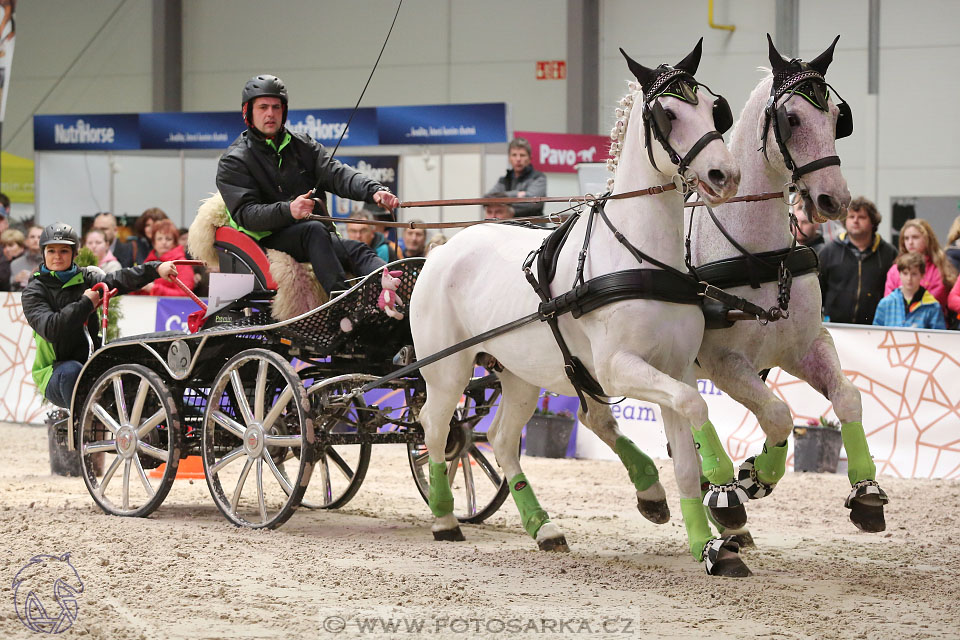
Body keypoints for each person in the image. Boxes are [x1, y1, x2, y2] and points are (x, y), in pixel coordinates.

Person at [216, 74, 399, 295]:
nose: (270, 114)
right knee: (313, 230)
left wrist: (375, 191)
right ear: (248, 112)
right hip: (266, 239)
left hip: (314, 237)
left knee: (359, 250)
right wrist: (289, 210)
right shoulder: (234, 160)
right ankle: (341, 302)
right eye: (263, 107)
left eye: (276, 107)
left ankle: (393, 290)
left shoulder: (303, 145)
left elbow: (338, 174)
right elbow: (246, 214)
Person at [21, 222, 179, 408]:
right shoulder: (33, 291)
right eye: (51, 251)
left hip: (90, 359)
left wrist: (155, 269)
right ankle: (84, 429)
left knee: (134, 354)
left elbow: (117, 280)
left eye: (64, 251)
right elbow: (51, 329)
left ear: (74, 254)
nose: (57, 257)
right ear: (43, 253)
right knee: (74, 371)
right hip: (54, 372)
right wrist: (86, 303)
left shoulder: (87, 278)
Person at [818, 197, 897, 324]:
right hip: (836, 328)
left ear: (873, 222)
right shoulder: (829, 251)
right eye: (851, 217)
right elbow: (818, 291)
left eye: (861, 217)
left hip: (875, 328)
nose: (855, 221)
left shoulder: (889, 253)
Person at [884, 218, 956, 317]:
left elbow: (936, 300)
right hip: (898, 324)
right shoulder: (895, 270)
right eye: (906, 238)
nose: (910, 242)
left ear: (927, 239)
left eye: (915, 237)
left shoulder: (939, 268)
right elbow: (888, 301)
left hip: (930, 325)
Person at [873, 253, 946, 330]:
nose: (909, 278)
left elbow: (938, 337)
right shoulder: (885, 303)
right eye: (905, 273)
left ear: (922, 275)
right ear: (899, 274)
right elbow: (876, 334)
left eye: (914, 274)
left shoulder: (932, 306)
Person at [485, 137, 547, 217]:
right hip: (507, 226)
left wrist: (504, 200)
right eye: (514, 155)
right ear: (509, 158)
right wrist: (517, 194)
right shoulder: (503, 180)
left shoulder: (539, 178)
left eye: (522, 155)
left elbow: (533, 203)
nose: (518, 159)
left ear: (530, 158)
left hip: (532, 226)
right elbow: (487, 198)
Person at [141, 220, 194, 296]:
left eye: (168, 239)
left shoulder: (182, 264)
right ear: (153, 242)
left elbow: (184, 294)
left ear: (175, 242)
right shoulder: (148, 262)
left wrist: (154, 289)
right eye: (159, 239)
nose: (164, 242)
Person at [11, 224, 43, 289]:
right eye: (32, 237)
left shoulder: (53, 263)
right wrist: (15, 280)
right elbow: (11, 290)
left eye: (39, 237)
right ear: (26, 241)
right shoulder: (15, 264)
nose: (35, 240)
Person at [0, 227, 23, 291]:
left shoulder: (28, 261)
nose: (7, 249)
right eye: (4, 246)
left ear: (21, 247)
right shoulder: (2, 264)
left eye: (11, 245)